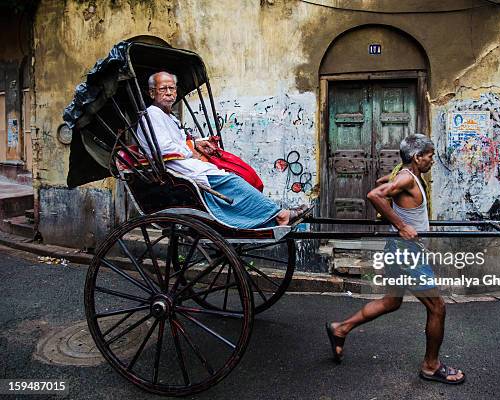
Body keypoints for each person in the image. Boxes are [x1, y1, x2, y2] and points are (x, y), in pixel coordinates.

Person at [325, 134, 465, 385]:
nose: (432, 160)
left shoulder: (405, 174)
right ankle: (431, 366)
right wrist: (401, 225)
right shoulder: (405, 177)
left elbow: (386, 182)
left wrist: (391, 184)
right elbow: (374, 194)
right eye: (430, 156)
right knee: (437, 307)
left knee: (391, 301)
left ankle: (340, 328)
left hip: (397, 249)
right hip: (405, 252)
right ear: (417, 157)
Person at [137, 71, 308, 228]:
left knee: (239, 174)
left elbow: (181, 141)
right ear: (152, 93)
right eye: (163, 89)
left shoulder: (168, 116)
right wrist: (191, 148)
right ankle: (280, 215)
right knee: (234, 182)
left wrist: (196, 143)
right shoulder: (152, 115)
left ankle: (270, 217)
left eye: (172, 88)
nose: (169, 92)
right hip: (175, 168)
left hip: (187, 164)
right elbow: (164, 148)